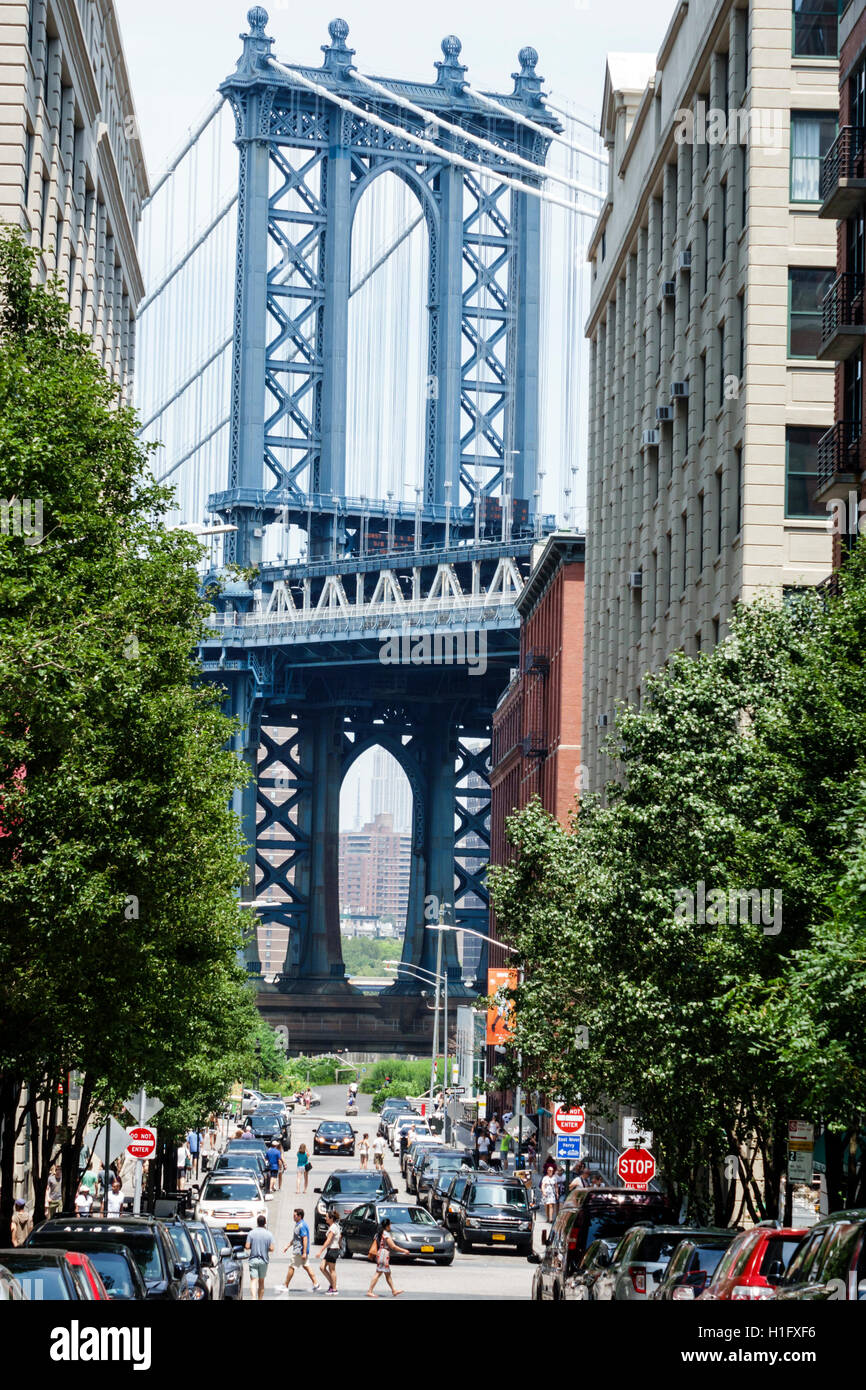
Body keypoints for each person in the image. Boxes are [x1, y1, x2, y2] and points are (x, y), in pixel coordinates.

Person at [279, 1208, 321, 1293]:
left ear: (299, 1216)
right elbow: (295, 1238)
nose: (293, 1217)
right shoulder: (298, 1224)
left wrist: (304, 1252)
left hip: (299, 1251)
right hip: (300, 1251)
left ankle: (285, 1285)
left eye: (294, 1215)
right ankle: (316, 1284)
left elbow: (305, 1239)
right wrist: (288, 1246)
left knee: (291, 1267)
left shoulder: (302, 1225)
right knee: (306, 1267)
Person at [366, 1218, 409, 1298]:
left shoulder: (379, 1233)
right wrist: (404, 1250)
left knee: (387, 1274)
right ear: (387, 1226)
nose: (391, 1226)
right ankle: (370, 1291)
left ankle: (394, 1290)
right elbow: (393, 1246)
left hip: (380, 1253)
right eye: (390, 1224)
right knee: (378, 1273)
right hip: (383, 1254)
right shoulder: (386, 1234)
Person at [245, 1213, 275, 1301]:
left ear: (257, 1223)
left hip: (253, 1259)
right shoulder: (269, 1234)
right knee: (261, 1282)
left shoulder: (251, 1233)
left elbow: (247, 1246)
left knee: (253, 1280)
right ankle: (260, 1299)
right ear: (265, 1223)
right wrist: (266, 1248)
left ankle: (253, 1297)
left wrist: (253, 1246)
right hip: (263, 1260)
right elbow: (272, 1248)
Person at [318, 1209, 341, 1295]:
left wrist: (320, 1251)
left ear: (331, 1218)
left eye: (327, 1217)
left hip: (333, 1250)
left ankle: (334, 1289)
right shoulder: (335, 1226)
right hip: (332, 1249)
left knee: (332, 1270)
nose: (325, 1218)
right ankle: (332, 1284)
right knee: (322, 1267)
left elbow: (328, 1240)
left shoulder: (333, 1227)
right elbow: (340, 1236)